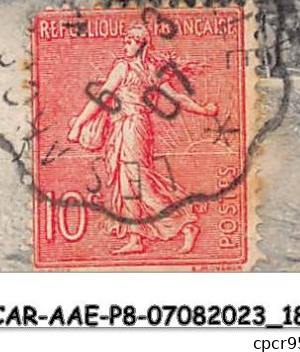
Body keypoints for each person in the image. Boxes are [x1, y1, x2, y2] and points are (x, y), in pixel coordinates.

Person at [67, 23, 217, 255]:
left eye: (130, 41)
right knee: (128, 183)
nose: (126, 44)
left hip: (133, 127)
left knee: (137, 181)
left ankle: (186, 224)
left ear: (142, 44)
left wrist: (78, 124)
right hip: (127, 128)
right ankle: (136, 238)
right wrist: (203, 110)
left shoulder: (129, 68)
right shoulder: (142, 70)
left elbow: (103, 97)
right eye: (125, 40)